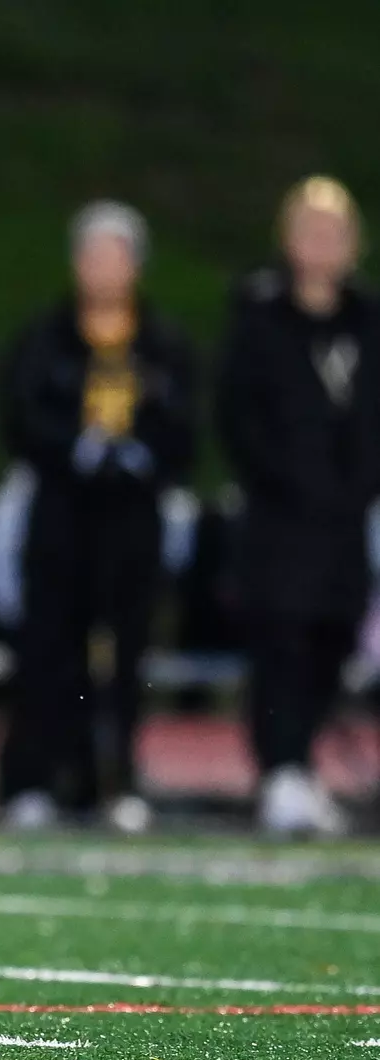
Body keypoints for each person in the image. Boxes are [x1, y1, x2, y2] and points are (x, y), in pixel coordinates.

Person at [0, 201, 196, 829]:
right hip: (60, 513)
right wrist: (75, 449)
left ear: (136, 266)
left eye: (116, 256)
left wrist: (138, 455)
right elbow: (19, 417)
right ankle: (32, 781)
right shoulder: (44, 335)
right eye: (92, 255)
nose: (104, 269)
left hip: (131, 518)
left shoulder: (164, 344)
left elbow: (187, 430)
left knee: (126, 654)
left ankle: (115, 783)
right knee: (48, 650)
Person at [218, 176, 380, 837]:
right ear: (289, 240)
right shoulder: (259, 316)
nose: (322, 245)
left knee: (332, 639)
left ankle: (299, 766)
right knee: (279, 641)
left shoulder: (368, 322)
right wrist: (285, 478)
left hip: (345, 518)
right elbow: (237, 416)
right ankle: (280, 770)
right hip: (280, 514)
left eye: (334, 233)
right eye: (310, 231)